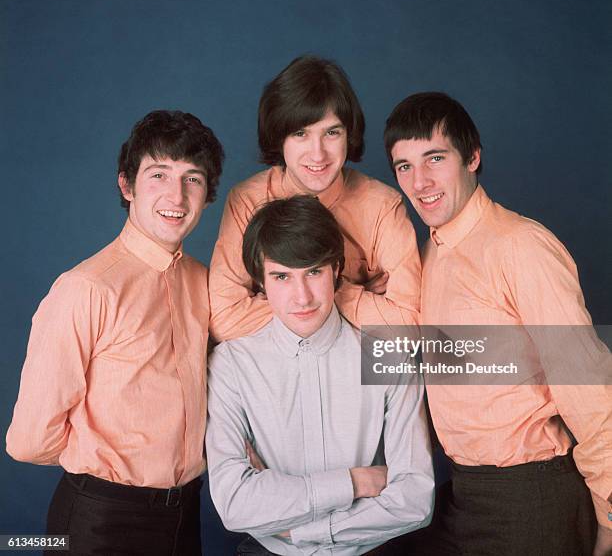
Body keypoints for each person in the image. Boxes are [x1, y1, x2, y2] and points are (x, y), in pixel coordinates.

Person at [384, 91, 612, 555]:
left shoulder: (520, 245)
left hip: (532, 493)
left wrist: (609, 507)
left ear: (472, 157)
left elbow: (586, 380)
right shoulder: (429, 251)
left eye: (434, 157)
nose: (420, 180)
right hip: (463, 491)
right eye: (404, 166)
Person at [6, 110, 224, 556]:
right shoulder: (86, 287)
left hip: (185, 515)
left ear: (208, 194)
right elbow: (28, 440)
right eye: (158, 174)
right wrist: (100, 459)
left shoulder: (205, 282)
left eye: (193, 179)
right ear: (127, 185)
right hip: (100, 521)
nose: (176, 195)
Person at [206, 195, 434, 555]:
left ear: (336, 271)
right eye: (282, 276)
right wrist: (355, 482)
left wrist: (303, 531)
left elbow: (415, 499)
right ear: (261, 282)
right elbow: (235, 505)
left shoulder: (387, 355)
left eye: (314, 271)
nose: (302, 297)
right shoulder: (232, 366)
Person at [209, 55, 421, 341]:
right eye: (300, 134)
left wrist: (323, 292)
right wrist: (345, 296)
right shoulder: (247, 200)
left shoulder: (382, 205)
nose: (318, 154)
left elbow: (408, 326)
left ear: (349, 135)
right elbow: (225, 319)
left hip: (354, 372)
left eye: (332, 133)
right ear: (279, 137)